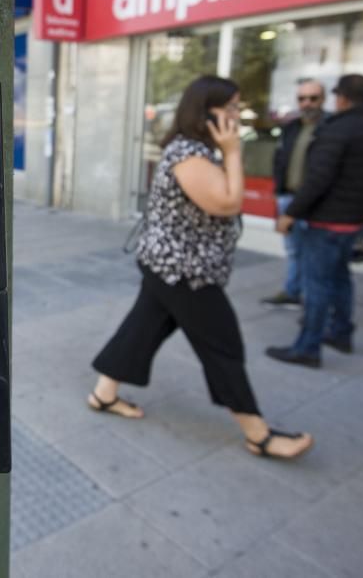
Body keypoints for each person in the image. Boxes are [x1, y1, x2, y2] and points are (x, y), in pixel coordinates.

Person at [88, 75, 313, 460]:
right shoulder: (189, 153)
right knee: (222, 344)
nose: (235, 115)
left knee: (143, 329)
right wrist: (235, 152)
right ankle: (258, 434)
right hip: (183, 270)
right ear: (205, 112)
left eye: (236, 107)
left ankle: (103, 394)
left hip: (172, 265)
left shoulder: (196, 149)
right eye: (229, 108)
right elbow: (226, 203)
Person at [267, 74, 363, 368]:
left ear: (340, 98)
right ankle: (340, 332)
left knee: (317, 285)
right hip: (356, 219)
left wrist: (291, 213)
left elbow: (318, 179)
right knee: (340, 278)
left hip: (326, 220)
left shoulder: (337, 130)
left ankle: (308, 348)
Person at [261, 79, 327, 309]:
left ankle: (313, 302)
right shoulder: (292, 127)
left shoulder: (329, 128)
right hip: (288, 196)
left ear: (322, 99)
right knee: (293, 249)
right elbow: (280, 158)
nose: (307, 103)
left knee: (315, 253)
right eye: (302, 98)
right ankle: (292, 291)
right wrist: (279, 191)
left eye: (313, 98)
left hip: (315, 200)